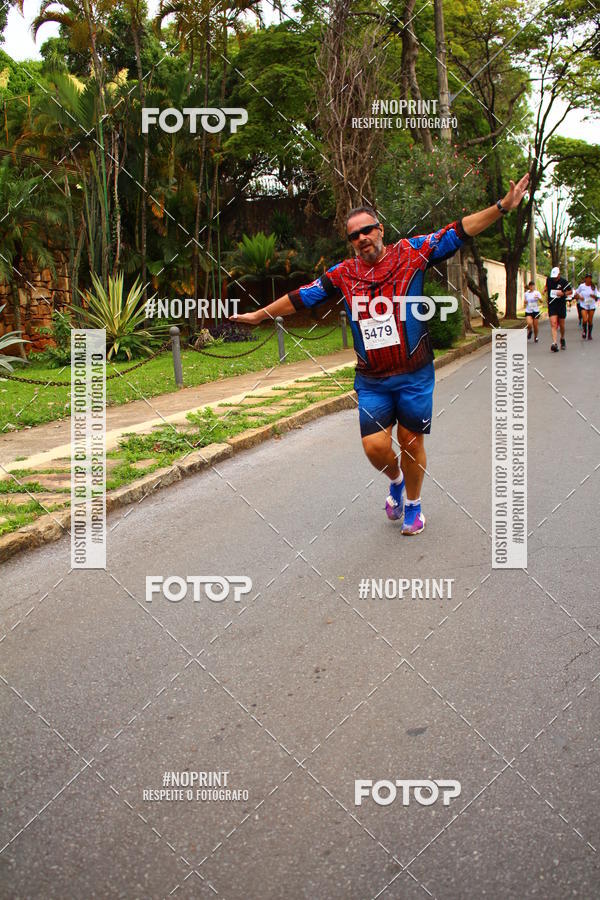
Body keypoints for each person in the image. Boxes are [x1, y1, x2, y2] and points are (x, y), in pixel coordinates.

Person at [231, 173, 530, 535]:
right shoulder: (344, 274)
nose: (361, 239)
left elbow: (458, 231)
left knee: (410, 440)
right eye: (353, 236)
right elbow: (300, 296)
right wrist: (258, 315)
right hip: (372, 379)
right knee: (375, 448)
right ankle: (396, 479)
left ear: (380, 229)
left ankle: (414, 508)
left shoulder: (412, 252)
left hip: (414, 373)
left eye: (366, 230)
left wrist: (502, 206)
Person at [543, 265, 572, 351]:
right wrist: (544, 290)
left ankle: (562, 338)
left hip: (561, 305)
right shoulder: (549, 280)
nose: (554, 279)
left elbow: (570, 291)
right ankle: (554, 343)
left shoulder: (564, 282)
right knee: (553, 323)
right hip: (552, 305)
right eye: (553, 277)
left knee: (562, 325)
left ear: (559, 275)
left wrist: (563, 293)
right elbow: (546, 286)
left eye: (556, 277)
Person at [574, 273, 598, 340]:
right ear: (585, 279)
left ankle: (589, 334)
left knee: (590, 321)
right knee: (585, 319)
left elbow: (596, 298)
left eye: (590, 278)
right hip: (583, 305)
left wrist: (593, 296)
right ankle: (584, 331)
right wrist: (579, 297)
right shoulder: (582, 286)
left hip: (591, 305)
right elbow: (576, 294)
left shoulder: (593, 287)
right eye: (587, 278)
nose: (589, 279)